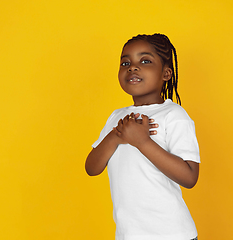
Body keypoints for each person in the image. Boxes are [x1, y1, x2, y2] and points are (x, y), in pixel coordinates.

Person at [85, 34, 200, 240]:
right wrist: (116, 136)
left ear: (166, 73)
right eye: (125, 62)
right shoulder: (117, 117)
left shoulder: (173, 115)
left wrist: (142, 142)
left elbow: (190, 177)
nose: (132, 67)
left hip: (172, 234)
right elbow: (92, 168)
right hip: (128, 235)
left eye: (145, 61)